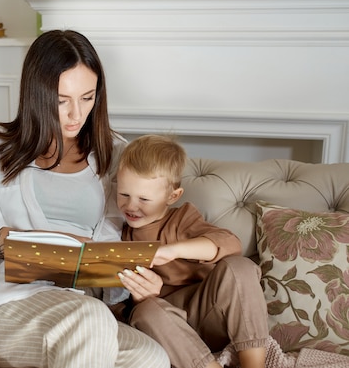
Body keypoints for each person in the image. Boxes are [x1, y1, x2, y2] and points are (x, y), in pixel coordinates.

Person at [0, 30, 170, 368]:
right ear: (36, 94)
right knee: (90, 319)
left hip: (72, 305)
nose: (75, 115)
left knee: (150, 358)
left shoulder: (116, 154)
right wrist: (46, 248)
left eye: (87, 97)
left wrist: (132, 280)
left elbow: (108, 247)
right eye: (61, 100)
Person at [115, 134, 269, 368]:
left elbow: (230, 244)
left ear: (172, 196)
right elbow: (121, 309)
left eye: (144, 199)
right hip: (169, 332)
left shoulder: (181, 219)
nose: (131, 206)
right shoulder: (118, 234)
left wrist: (173, 251)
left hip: (208, 314)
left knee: (241, 267)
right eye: (124, 194)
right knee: (147, 311)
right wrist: (142, 297)